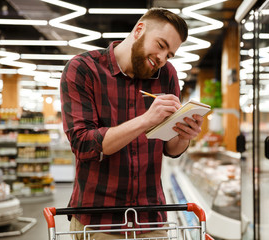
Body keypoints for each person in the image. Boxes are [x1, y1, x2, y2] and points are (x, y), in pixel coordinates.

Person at [60, 7, 204, 239]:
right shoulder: (83, 69)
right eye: (160, 45)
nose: (162, 58)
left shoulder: (167, 75)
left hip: (151, 219)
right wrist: (145, 120)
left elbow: (170, 148)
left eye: (169, 54)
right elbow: (83, 145)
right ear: (139, 30)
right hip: (99, 221)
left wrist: (184, 135)